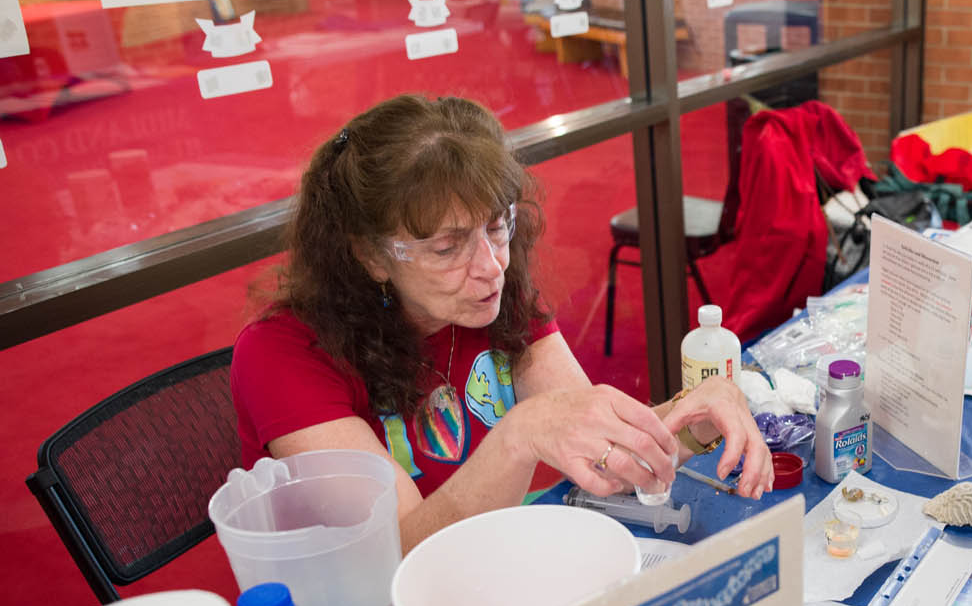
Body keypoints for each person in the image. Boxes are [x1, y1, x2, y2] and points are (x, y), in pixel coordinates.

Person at [231, 94, 774, 553]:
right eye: (447, 247)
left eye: (497, 227)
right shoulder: (282, 355)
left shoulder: (490, 295)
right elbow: (402, 553)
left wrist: (694, 419)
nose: (493, 267)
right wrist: (521, 435)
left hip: (501, 568)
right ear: (371, 256)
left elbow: (605, 453)